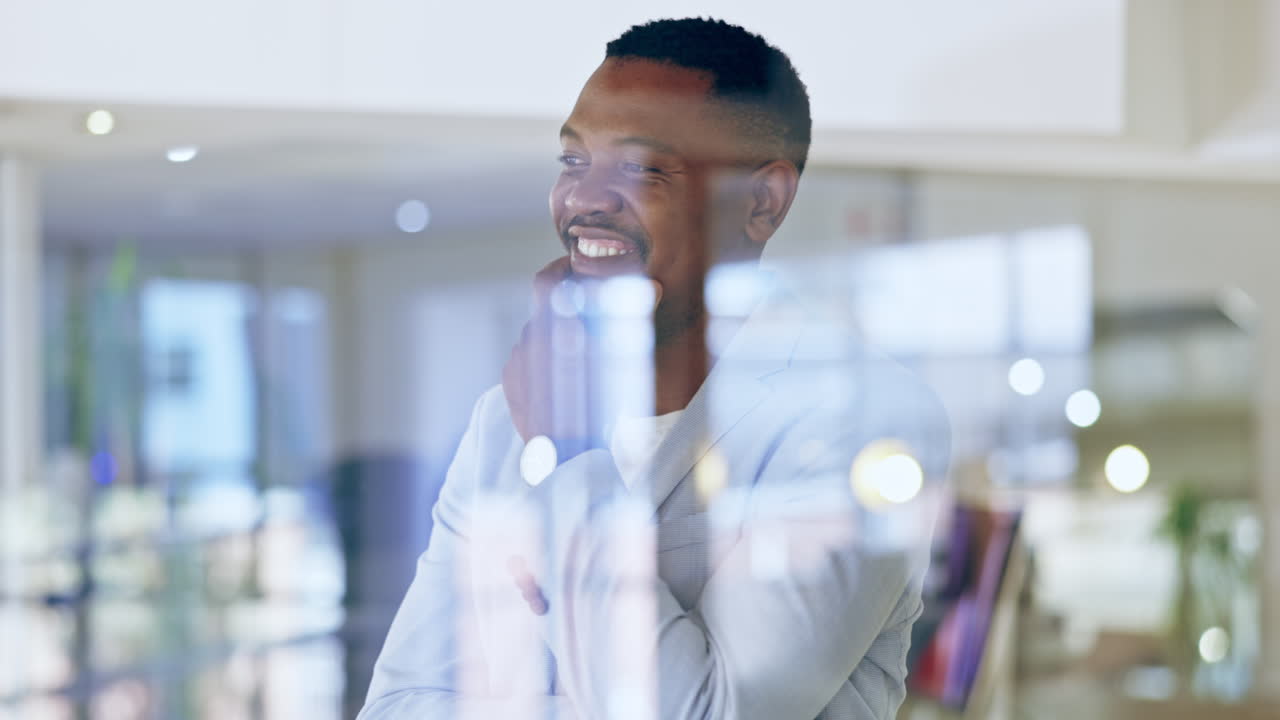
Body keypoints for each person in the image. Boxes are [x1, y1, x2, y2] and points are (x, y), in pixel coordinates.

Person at [358, 17, 949, 720]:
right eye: (574, 163)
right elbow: (398, 704)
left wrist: (571, 454)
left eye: (640, 169)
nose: (584, 201)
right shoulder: (503, 422)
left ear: (760, 203)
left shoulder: (861, 418)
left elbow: (710, 713)